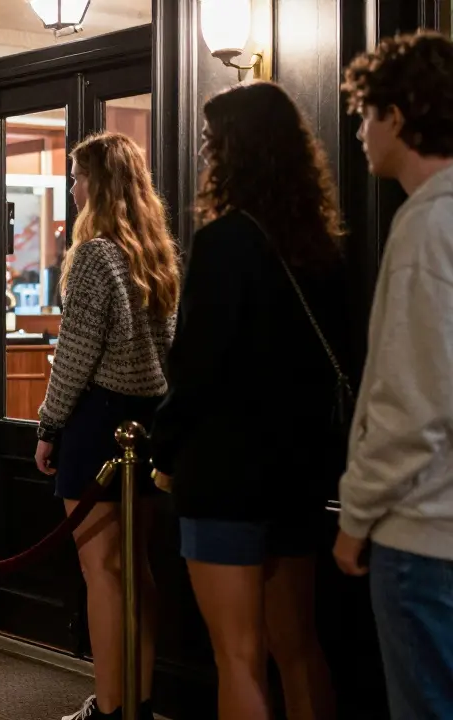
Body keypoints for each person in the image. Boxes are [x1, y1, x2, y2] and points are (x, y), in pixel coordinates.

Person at [152, 82, 346, 720]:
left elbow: (195, 368)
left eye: (211, 144)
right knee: (299, 648)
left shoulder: (222, 242)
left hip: (225, 474)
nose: (205, 156)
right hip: (299, 470)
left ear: (235, 153)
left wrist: (163, 447)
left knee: (238, 657)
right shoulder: (320, 248)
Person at [33, 132, 178, 720]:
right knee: (137, 569)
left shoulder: (96, 255)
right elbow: (168, 351)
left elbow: (75, 356)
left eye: (77, 176)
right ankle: (137, 701)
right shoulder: (155, 253)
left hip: (98, 422)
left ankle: (111, 707)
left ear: (98, 183)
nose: (72, 188)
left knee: (102, 573)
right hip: (147, 420)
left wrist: (48, 425)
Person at [336, 32, 453, 720]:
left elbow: (413, 405)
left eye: (366, 114)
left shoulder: (426, 225)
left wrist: (356, 516)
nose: (360, 131)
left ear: (400, 117)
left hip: (423, 533)